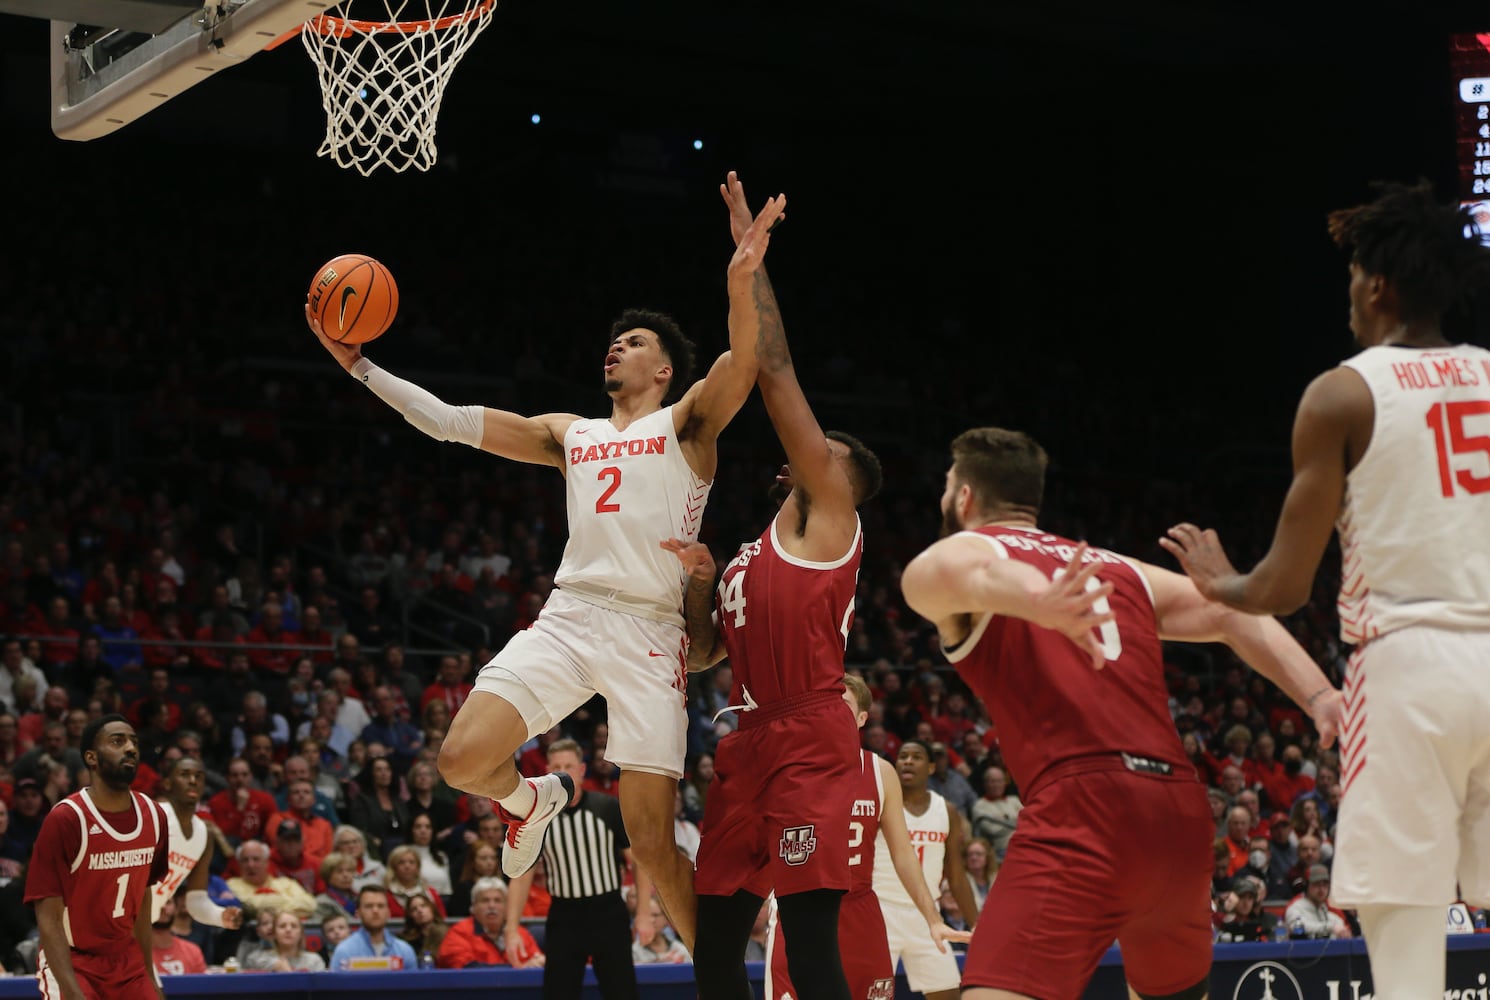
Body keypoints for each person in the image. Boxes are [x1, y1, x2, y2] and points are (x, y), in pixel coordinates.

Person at [309, 176, 784, 954]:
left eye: (635, 343)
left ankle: (719, 979)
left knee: (651, 843)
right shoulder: (573, 433)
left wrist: (743, 268)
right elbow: (453, 424)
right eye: (616, 339)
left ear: (664, 370)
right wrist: (359, 367)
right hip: (570, 615)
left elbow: (747, 356)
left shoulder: (687, 422)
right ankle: (530, 801)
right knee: (461, 760)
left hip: (649, 634)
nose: (617, 346)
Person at [1158, 180, 1490, 1000]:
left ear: (1377, 283)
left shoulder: (1343, 392)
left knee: (1403, 911)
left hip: (1408, 664)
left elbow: (1281, 587)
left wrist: (1217, 579)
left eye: (1351, 277)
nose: (1347, 293)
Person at [899, 426, 1346, 1000]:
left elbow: (967, 574)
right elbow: (1232, 615)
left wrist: (1036, 600)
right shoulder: (1119, 568)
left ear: (963, 498)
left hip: (1085, 805)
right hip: (1179, 815)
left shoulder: (973, 549)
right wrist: (1319, 695)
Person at [661, 171, 882, 1000]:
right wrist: (702, 583)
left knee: (809, 940)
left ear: (841, 481)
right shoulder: (759, 549)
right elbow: (710, 649)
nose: (809, 453)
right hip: (749, 739)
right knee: (717, 942)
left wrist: (748, 266)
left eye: (829, 454)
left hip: (812, 740)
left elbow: (778, 366)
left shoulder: (831, 519)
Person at [766, 676, 969, 1000]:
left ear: (862, 719)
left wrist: (933, 919)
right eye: (825, 705)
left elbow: (903, 854)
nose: (831, 713)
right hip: (799, 906)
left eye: (842, 706)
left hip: (860, 908)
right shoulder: (787, 762)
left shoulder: (881, 771)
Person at [24, 713, 170, 1000]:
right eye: (117, 741)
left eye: (133, 742)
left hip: (126, 958)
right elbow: (49, 919)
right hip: (73, 959)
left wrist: (149, 975)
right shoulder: (67, 819)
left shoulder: (154, 815)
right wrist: (72, 992)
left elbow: (142, 900)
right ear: (91, 758)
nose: (130, 748)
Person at [505, 738, 647, 1000]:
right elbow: (522, 874)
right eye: (556, 766)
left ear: (581, 770)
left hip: (608, 913)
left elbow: (637, 862)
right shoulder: (539, 817)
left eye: (568, 766)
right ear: (548, 772)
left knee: (622, 991)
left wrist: (644, 914)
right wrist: (511, 928)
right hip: (564, 916)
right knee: (558, 992)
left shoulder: (608, 807)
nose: (563, 772)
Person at [149, 756, 244, 942]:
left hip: (141, 926)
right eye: (184, 775)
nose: (193, 781)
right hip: (111, 919)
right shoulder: (152, 817)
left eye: (199, 776)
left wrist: (219, 916)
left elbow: (196, 902)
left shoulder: (204, 834)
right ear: (167, 783)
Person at [440, 877, 543, 969]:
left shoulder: (519, 933)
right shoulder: (459, 932)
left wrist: (537, 962)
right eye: (485, 901)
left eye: (498, 901)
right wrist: (519, 968)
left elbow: (537, 959)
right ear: (473, 907)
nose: (492, 906)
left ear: (507, 907)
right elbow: (465, 967)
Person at [329, 885, 417, 971]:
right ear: (358, 913)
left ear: (388, 913)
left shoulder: (404, 951)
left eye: (380, 906)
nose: (375, 911)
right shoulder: (344, 951)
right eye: (369, 906)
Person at [244, 910, 327, 971]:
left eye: (294, 926)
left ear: (301, 933)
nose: (288, 930)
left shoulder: (314, 960)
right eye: (282, 926)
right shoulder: (256, 959)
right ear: (274, 933)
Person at [1283, 865, 1351, 940]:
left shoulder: (1328, 912)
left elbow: (1339, 926)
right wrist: (1330, 927)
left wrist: (1342, 931)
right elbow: (1297, 928)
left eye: (1325, 885)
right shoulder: (1295, 908)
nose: (1321, 889)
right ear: (1306, 886)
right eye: (1316, 884)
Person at [150, 895, 207, 977]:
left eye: (167, 902)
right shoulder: (134, 953)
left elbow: (202, 987)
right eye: (157, 903)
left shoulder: (192, 951)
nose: (163, 907)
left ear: (176, 909)